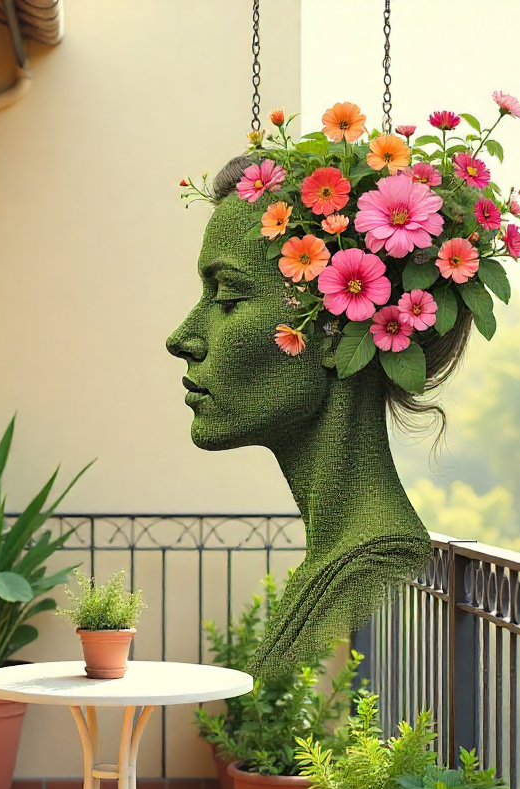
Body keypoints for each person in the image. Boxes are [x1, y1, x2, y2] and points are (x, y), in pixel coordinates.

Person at [166, 154, 471, 678]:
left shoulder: (372, 571)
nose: (182, 339)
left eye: (228, 295)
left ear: (339, 330)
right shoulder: (334, 566)